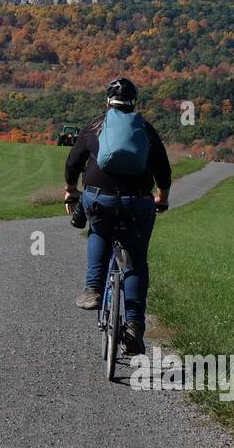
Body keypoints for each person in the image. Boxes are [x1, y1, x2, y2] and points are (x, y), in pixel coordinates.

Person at [63, 78, 171, 354]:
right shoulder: (145, 129)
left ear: (107, 102)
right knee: (135, 260)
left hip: (100, 199)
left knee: (99, 232)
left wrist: (69, 191)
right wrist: (162, 199)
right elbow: (163, 171)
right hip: (138, 203)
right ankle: (134, 326)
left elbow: (73, 163)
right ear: (135, 103)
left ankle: (93, 290)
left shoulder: (96, 126)